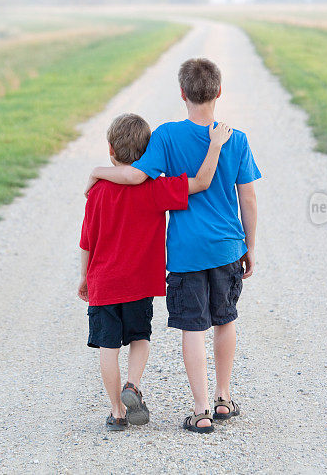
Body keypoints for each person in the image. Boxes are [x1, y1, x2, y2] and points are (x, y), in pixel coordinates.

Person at [86, 58, 261, 433]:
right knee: (225, 320)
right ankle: (224, 398)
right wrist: (250, 245)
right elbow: (248, 199)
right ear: (218, 92)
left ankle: (200, 411)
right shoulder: (237, 139)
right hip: (228, 247)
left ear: (182, 93)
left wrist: (96, 172)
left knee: (193, 329)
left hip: (186, 253)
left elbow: (134, 176)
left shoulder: (165, 136)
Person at [79, 112, 232, 431]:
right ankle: (133, 384)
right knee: (140, 337)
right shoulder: (155, 188)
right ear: (148, 153)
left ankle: (118, 412)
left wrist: (84, 278)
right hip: (139, 284)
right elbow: (201, 182)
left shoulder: (97, 192)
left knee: (108, 347)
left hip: (104, 284)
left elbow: (87, 241)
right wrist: (215, 145)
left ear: (110, 149)